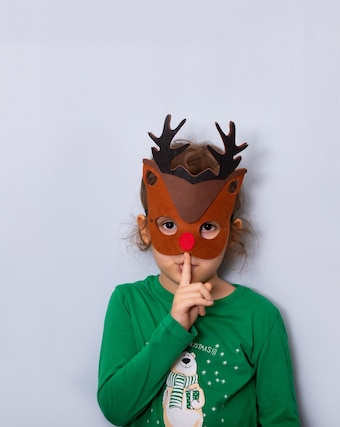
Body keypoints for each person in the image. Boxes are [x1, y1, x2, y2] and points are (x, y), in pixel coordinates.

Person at [97, 115, 300, 427]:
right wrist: (174, 327)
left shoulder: (260, 318)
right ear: (146, 229)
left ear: (232, 233)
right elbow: (115, 408)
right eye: (169, 225)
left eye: (207, 227)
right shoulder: (128, 303)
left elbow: (280, 419)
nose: (186, 245)